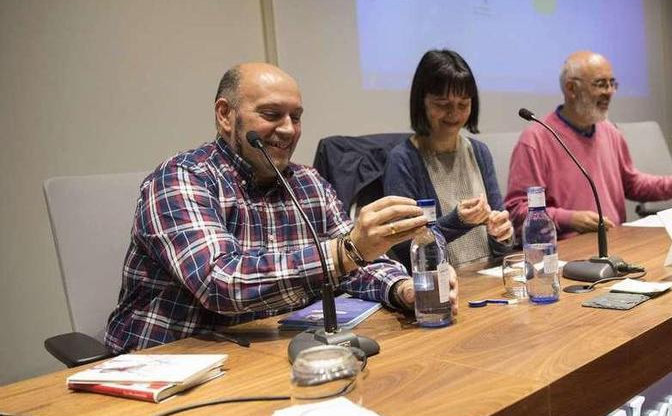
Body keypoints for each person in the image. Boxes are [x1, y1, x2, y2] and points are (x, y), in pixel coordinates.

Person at [105, 62, 457, 353]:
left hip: (269, 355)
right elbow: (221, 284)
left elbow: (358, 262)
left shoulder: (306, 181)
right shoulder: (181, 179)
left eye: (296, 117)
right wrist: (345, 252)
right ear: (225, 115)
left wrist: (405, 290)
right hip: (170, 361)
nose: (288, 130)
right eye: (272, 114)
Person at [504, 51, 672, 239]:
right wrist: (570, 218)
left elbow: (632, 184)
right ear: (571, 88)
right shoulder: (536, 139)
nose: (609, 91)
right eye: (600, 84)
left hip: (615, 243)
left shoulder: (610, 132)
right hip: (565, 254)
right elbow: (518, 210)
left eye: (612, 83)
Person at [384, 49, 514, 269]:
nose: (454, 114)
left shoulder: (479, 152)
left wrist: (502, 234)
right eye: (443, 104)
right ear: (421, 103)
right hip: (440, 286)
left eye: (463, 104)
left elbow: (502, 247)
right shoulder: (403, 160)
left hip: (488, 277)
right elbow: (405, 248)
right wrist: (458, 222)